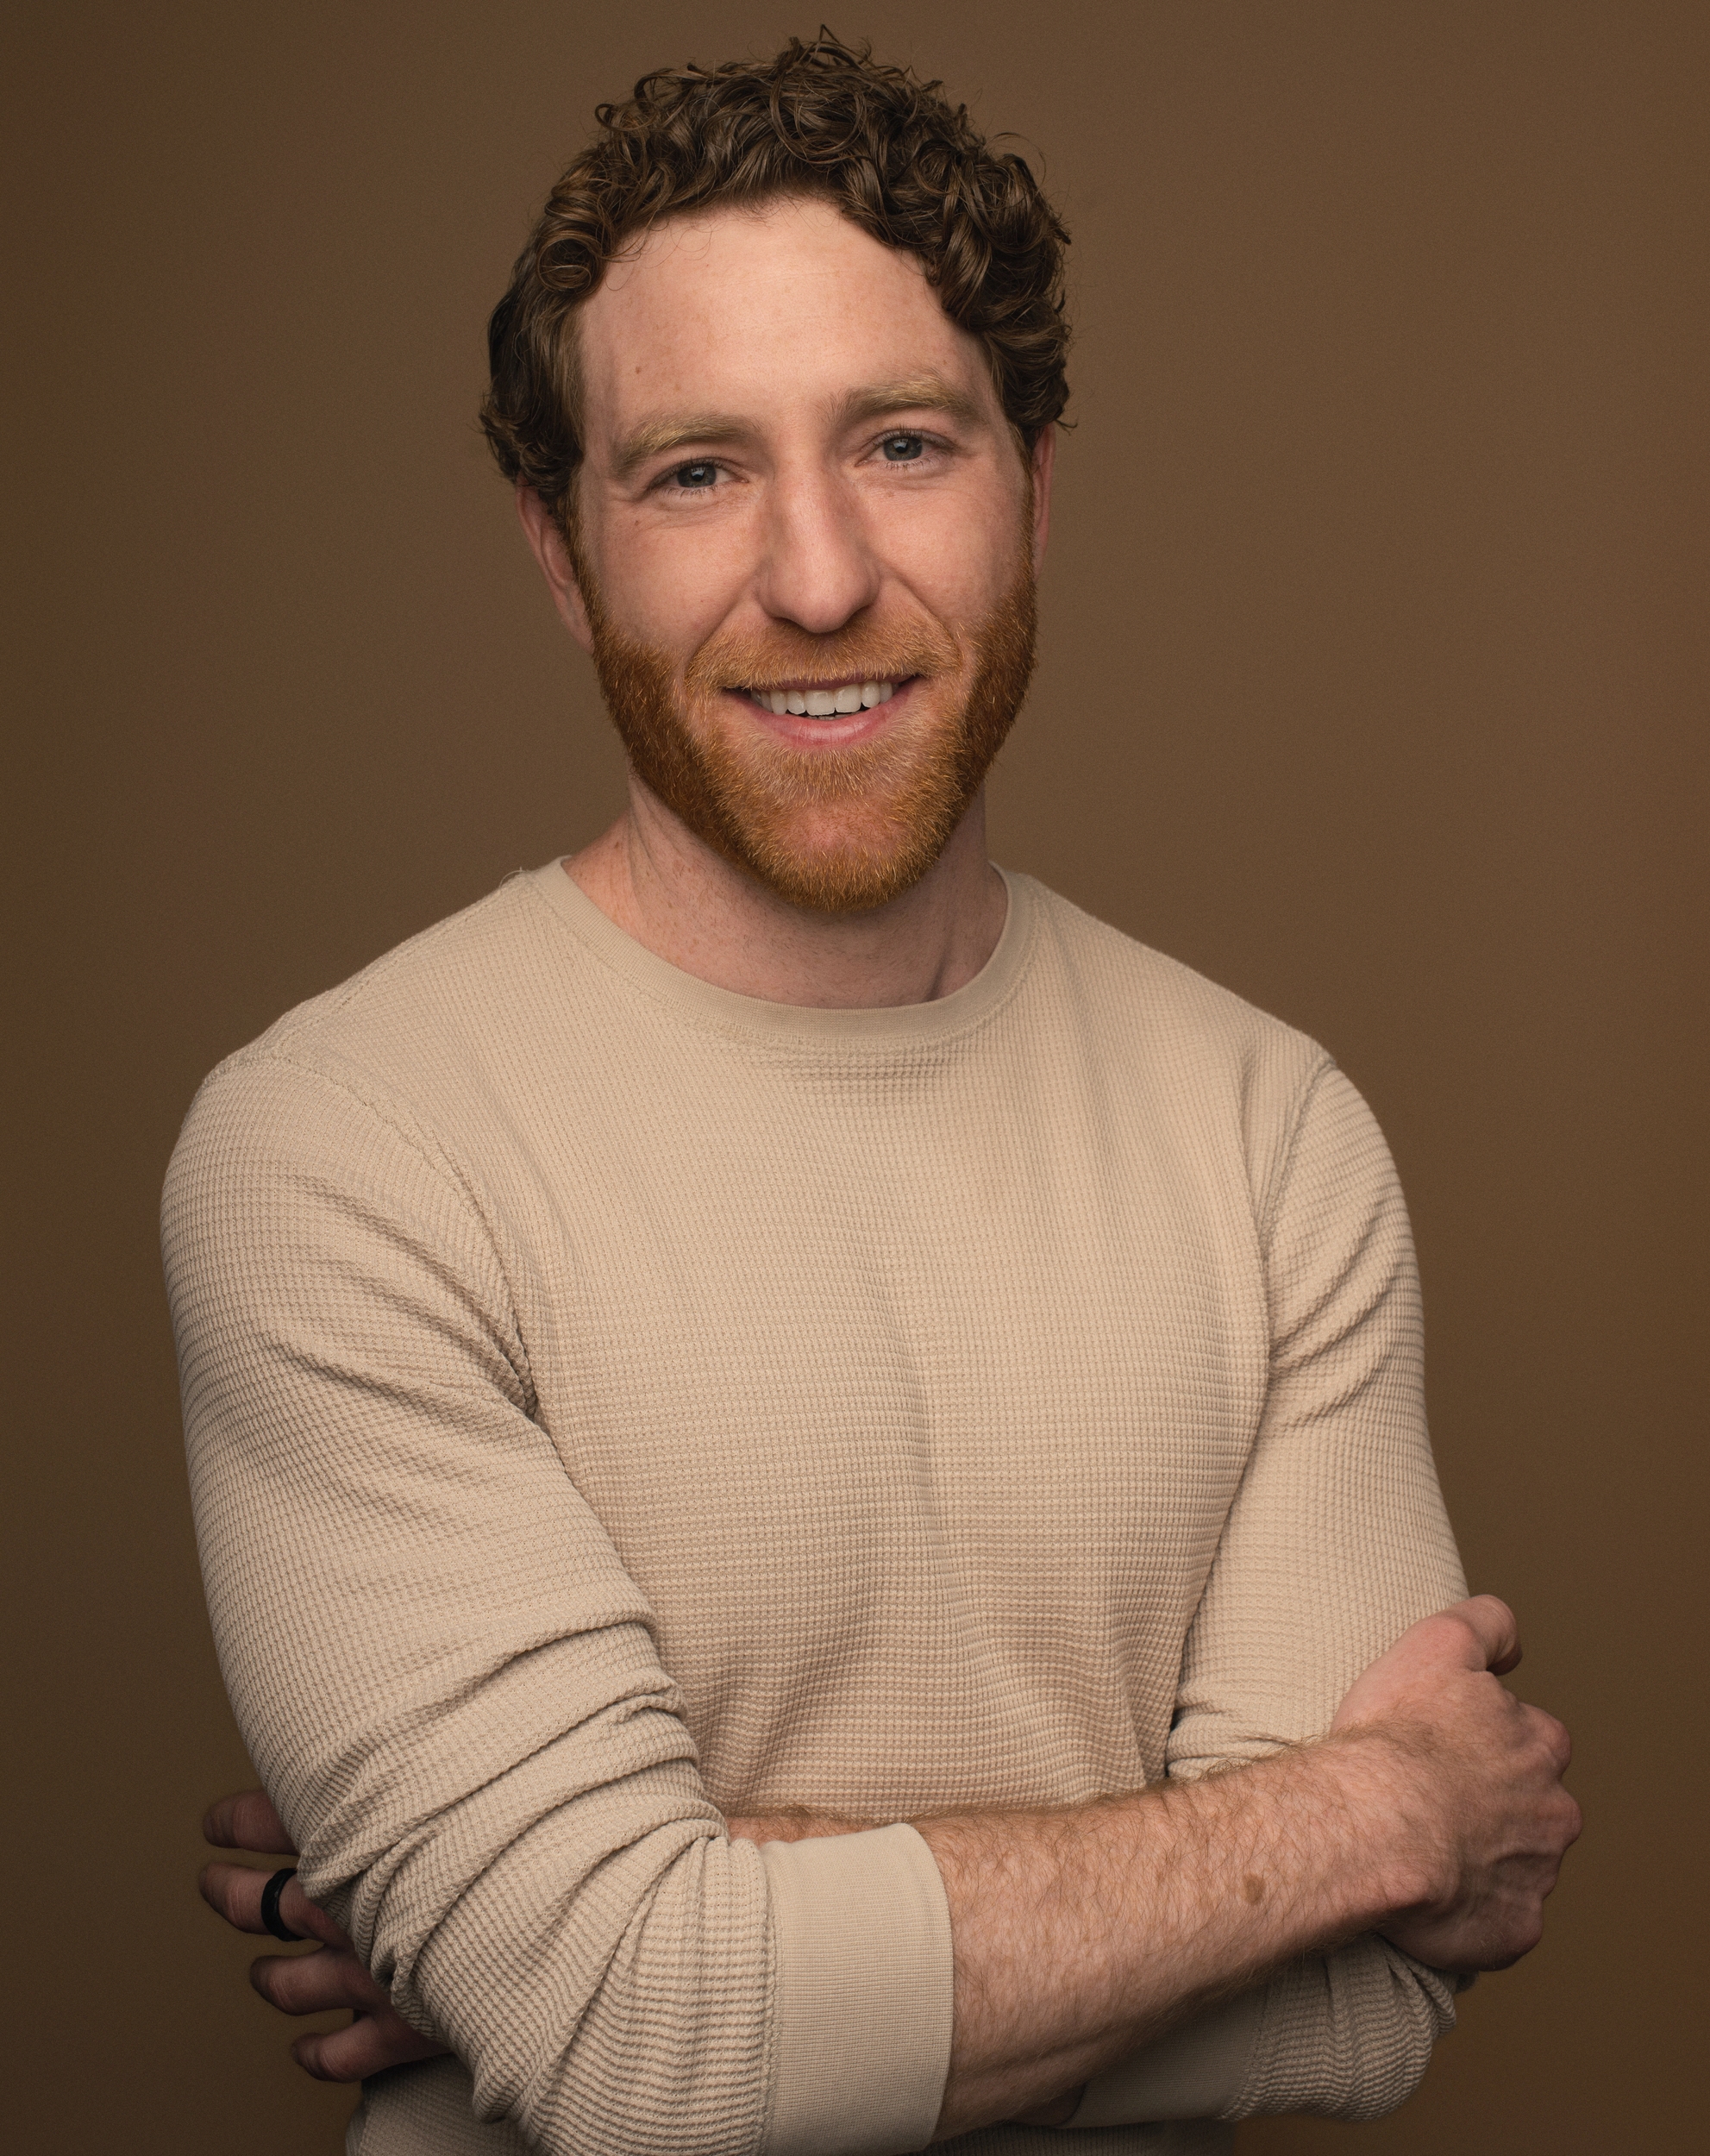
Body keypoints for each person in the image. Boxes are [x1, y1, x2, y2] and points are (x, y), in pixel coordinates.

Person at [168, 33, 1578, 2156]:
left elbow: (1367, 2005)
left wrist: (647, 1939)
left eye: (902, 443)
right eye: (694, 472)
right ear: (561, 551)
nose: (818, 578)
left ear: (1035, 488)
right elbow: (641, 2040)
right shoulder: (337, 1151)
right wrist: (1369, 1819)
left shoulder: (1271, 1134)